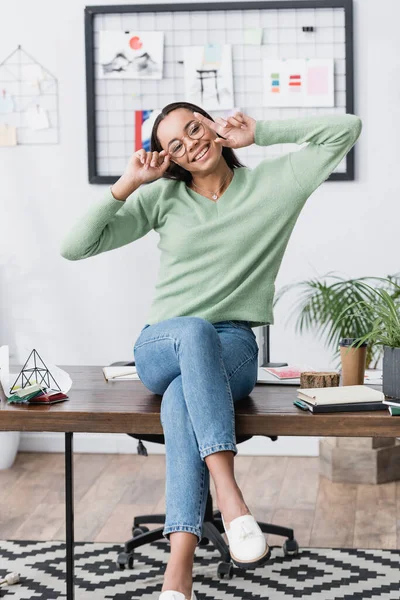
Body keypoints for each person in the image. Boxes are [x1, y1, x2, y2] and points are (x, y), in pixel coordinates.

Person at [60, 101, 362, 600]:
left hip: (234, 349)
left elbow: (345, 129)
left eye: (194, 129)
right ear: (170, 159)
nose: (189, 144)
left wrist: (261, 132)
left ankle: (178, 571)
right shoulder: (162, 197)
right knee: (193, 332)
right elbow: (75, 246)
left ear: (214, 125)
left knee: (183, 400)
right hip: (163, 342)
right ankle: (230, 492)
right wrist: (127, 184)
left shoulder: (276, 184)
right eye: (174, 144)